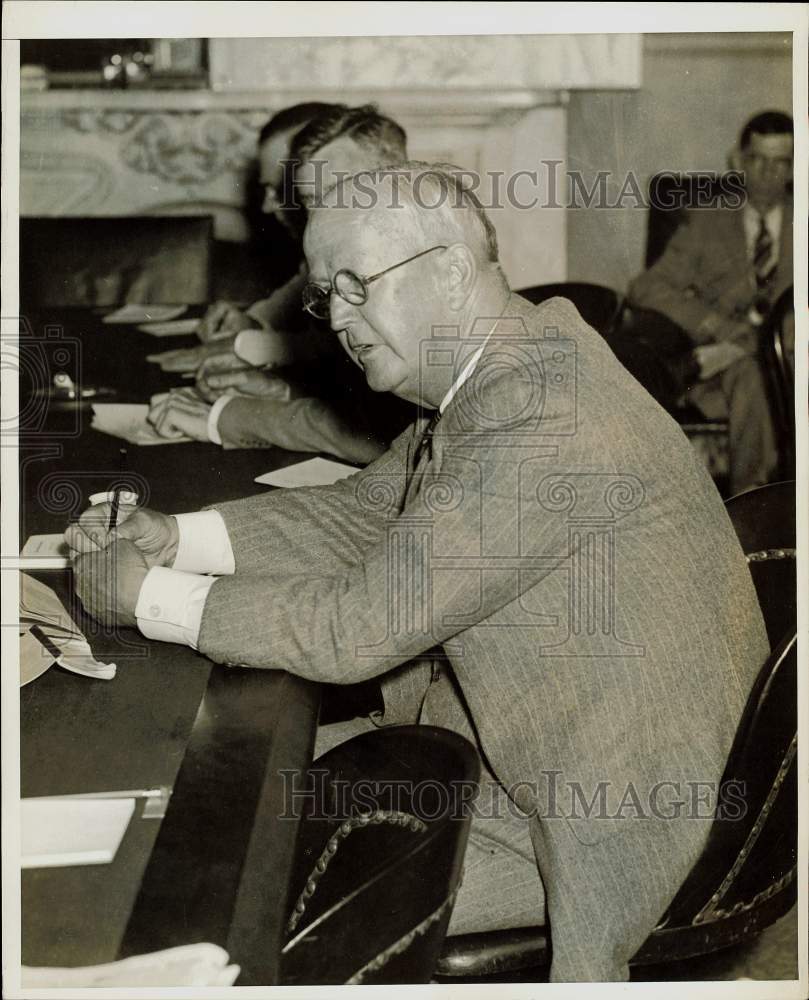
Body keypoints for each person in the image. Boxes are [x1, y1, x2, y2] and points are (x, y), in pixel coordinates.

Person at [67, 164, 768, 983]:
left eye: (360, 284)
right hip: (523, 748)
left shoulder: (540, 413)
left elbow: (356, 630)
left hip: (605, 810)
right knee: (207, 793)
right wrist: (175, 537)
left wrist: (143, 594)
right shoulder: (512, 362)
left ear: (448, 269)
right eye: (329, 294)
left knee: (231, 897)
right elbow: (363, 512)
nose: (340, 320)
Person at [147, 104, 415, 464]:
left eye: (341, 195)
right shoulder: (360, 265)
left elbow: (392, 438)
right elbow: (377, 405)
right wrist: (280, 390)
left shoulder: (420, 276)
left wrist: (226, 418)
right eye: (313, 202)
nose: (321, 219)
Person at [628, 110, 794, 495]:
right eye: (757, 160)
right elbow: (647, 287)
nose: (768, 173)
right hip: (721, 379)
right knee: (750, 376)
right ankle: (754, 506)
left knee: (755, 372)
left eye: (781, 162)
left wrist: (754, 342)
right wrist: (714, 325)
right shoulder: (707, 222)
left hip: (791, 367)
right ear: (738, 161)